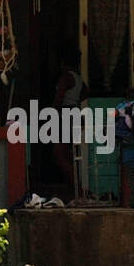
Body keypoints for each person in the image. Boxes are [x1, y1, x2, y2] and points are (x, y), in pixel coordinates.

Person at [51, 49, 88, 198]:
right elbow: (85, 93)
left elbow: (58, 98)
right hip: (76, 114)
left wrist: (52, 114)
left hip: (66, 115)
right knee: (68, 154)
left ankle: (77, 189)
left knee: (59, 154)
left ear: (63, 63)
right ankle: (73, 190)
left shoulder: (66, 78)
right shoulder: (79, 78)